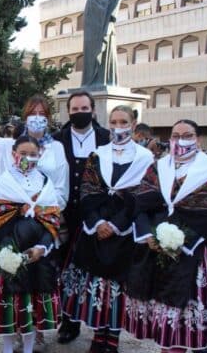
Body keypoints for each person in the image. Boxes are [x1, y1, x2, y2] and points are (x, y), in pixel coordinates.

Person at [60, 105, 153, 353]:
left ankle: (112, 340)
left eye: (123, 122)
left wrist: (116, 224)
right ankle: (97, 336)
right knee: (97, 289)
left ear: (133, 124)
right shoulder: (98, 154)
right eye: (113, 122)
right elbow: (88, 190)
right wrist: (98, 222)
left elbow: (143, 196)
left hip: (125, 231)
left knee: (117, 289)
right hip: (96, 230)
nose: (118, 127)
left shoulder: (145, 158)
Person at [123, 119, 207, 353]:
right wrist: (150, 235)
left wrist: (179, 240)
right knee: (165, 314)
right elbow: (142, 204)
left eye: (187, 135)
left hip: (195, 249)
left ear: (197, 139)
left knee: (186, 313)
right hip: (158, 248)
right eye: (176, 136)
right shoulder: (159, 167)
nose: (180, 140)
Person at [0, 135, 62, 353]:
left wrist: (42, 247)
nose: (28, 158)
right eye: (23, 154)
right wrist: (9, 252)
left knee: (31, 308)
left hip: (37, 257)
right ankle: (7, 347)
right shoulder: (4, 182)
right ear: (14, 154)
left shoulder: (45, 184)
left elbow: (52, 221)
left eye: (32, 154)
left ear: (39, 155)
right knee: (10, 307)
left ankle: (29, 347)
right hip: (9, 253)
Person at [52, 90, 111, 344]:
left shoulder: (106, 139)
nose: (79, 113)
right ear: (68, 111)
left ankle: (102, 325)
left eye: (84, 108)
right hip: (66, 215)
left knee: (96, 269)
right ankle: (69, 320)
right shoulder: (57, 139)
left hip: (97, 215)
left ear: (93, 110)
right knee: (64, 269)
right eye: (74, 109)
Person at [0, 95, 69, 208]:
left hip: (47, 212)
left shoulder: (56, 148)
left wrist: (40, 205)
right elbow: (3, 182)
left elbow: (61, 187)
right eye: (33, 113)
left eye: (42, 114)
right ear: (26, 117)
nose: (37, 117)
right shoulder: (10, 146)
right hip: (16, 213)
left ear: (48, 118)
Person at [81, 0, 134, 88]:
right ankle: (104, 81)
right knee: (105, 59)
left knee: (95, 61)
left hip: (91, 39)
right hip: (106, 34)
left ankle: (94, 81)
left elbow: (87, 22)